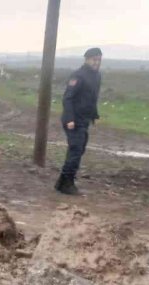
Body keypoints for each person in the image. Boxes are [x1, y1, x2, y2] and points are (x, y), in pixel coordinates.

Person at [56, 48, 103, 195]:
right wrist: (70, 118)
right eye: (94, 59)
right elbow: (68, 98)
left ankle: (62, 182)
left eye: (99, 60)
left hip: (84, 120)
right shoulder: (78, 75)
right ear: (87, 59)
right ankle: (67, 183)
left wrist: (94, 115)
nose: (96, 62)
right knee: (75, 150)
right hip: (74, 121)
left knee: (79, 149)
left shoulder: (97, 76)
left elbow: (91, 98)